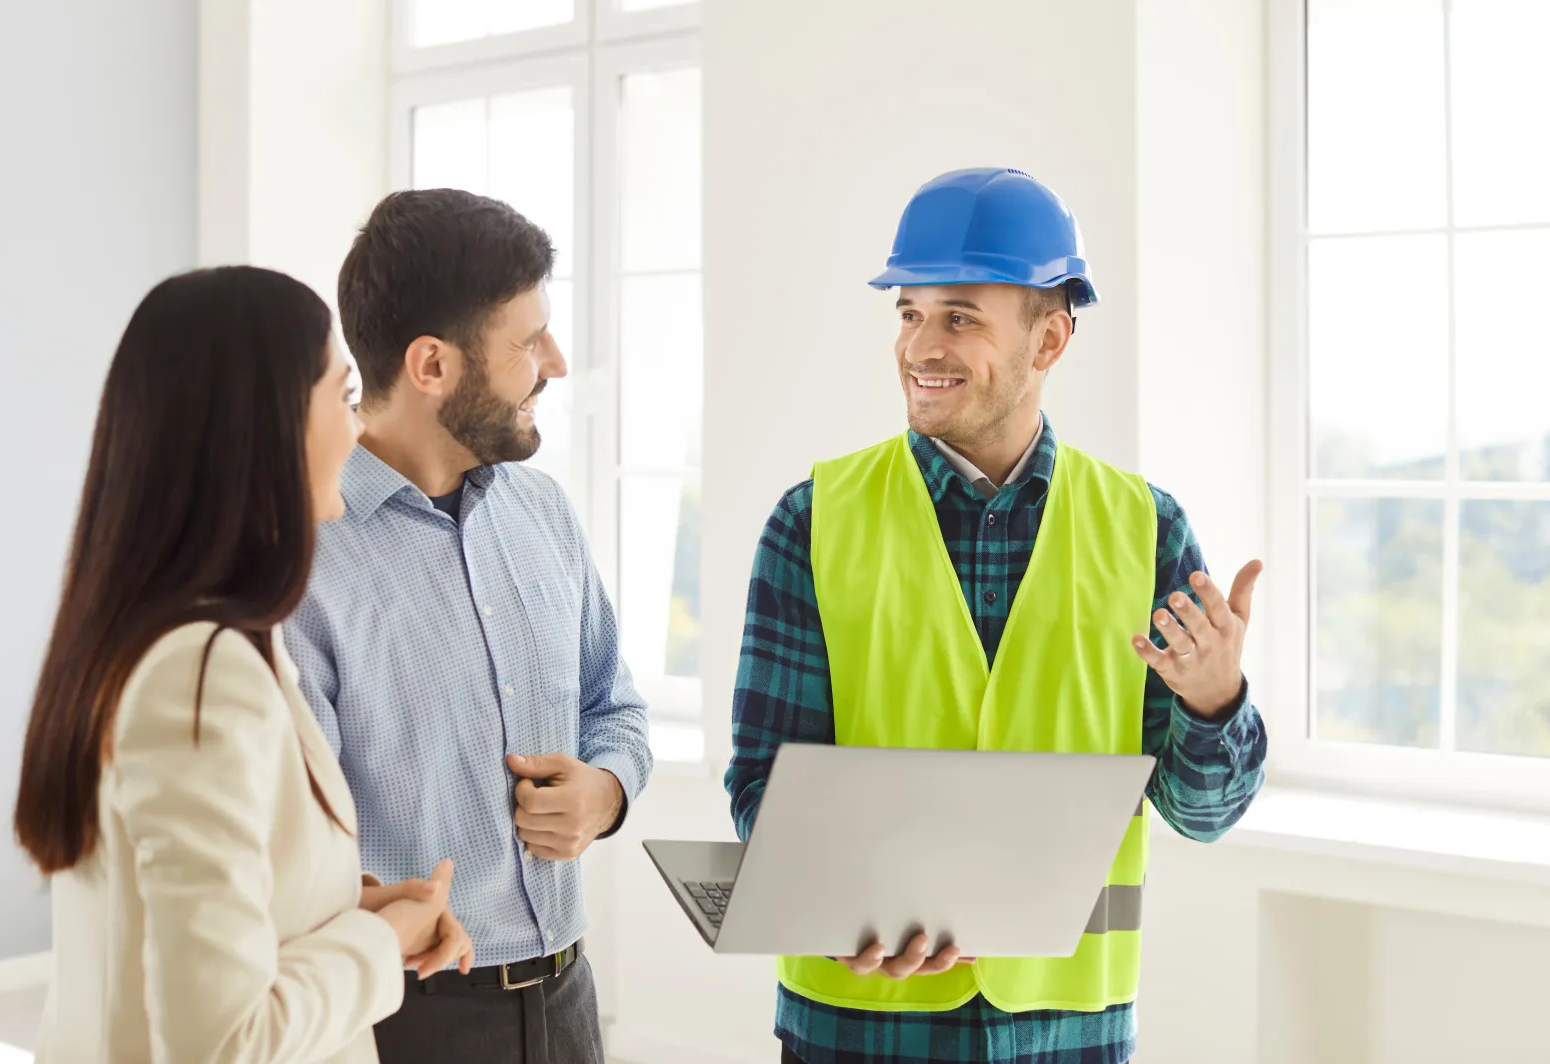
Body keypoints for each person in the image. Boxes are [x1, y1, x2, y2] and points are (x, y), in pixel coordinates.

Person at [725, 167, 1269, 1064]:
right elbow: (762, 785)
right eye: (908, 314)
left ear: (1049, 339)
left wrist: (1216, 703)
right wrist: (844, 904)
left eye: (960, 317)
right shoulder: (812, 519)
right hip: (855, 1026)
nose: (920, 347)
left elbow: (1202, 814)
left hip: (1067, 1031)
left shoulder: (1147, 527)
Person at [14, 266, 475, 1064]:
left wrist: (345, 902)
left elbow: (178, 914)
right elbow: (221, 1040)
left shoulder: (174, 643)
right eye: (342, 395)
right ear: (266, 429)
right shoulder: (199, 673)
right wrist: (374, 939)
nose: (357, 428)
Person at [284, 189, 654, 1064]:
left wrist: (605, 793)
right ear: (432, 366)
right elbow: (296, 845)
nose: (555, 363)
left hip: (568, 998)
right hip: (406, 1019)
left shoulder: (545, 513)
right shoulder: (304, 564)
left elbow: (618, 707)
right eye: (529, 341)